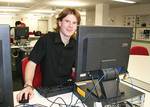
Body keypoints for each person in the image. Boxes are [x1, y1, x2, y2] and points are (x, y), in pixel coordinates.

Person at [16, 8, 81, 102]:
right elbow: (31, 63)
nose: (71, 26)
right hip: (47, 92)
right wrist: (28, 85)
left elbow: (76, 70)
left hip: (68, 90)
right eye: (67, 21)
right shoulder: (46, 40)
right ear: (60, 23)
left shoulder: (76, 45)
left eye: (74, 23)